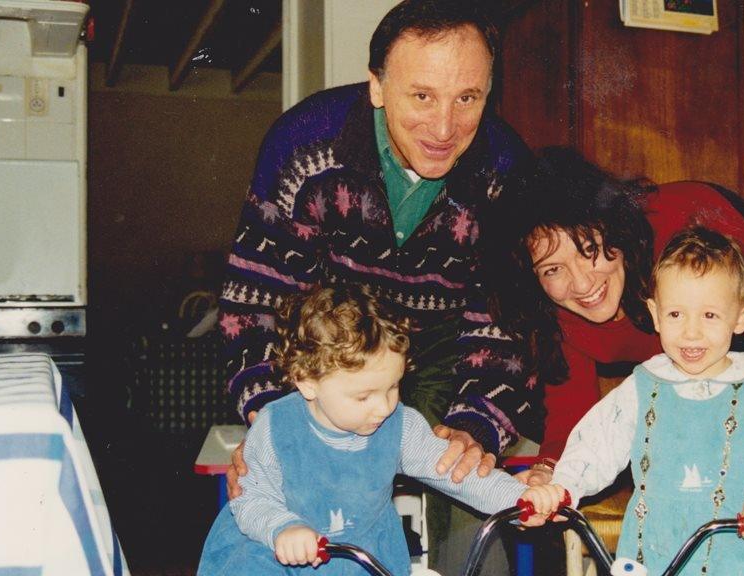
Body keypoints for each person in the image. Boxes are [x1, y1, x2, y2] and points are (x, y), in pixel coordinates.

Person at [217, 1, 543, 569]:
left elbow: (505, 324)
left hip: (445, 346)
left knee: (468, 494)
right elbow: (257, 298)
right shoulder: (302, 145)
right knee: (278, 505)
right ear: (376, 86)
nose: (444, 128)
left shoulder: (505, 174)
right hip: (331, 344)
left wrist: (476, 426)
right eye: (422, 96)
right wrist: (274, 418)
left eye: (467, 98)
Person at [486, 147, 744, 574]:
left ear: (612, 228)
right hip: (707, 344)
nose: (581, 283)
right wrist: (547, 476)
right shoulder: (556, 307)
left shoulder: (685, 221)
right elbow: (573, 417)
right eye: (552, 269)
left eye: (590, 249)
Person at [199, 284, 559, 575]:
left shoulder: (398, 425)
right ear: (308, 382)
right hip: (275, 553)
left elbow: (456, 471)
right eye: (363, 396)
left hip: (359, 558)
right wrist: (283, 529)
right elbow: (250, 499)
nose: (385, 406)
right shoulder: (275, 426)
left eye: (393, 387)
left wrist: (515, 495)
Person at [542, 226, 744, 573]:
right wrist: (561, 488)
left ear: (741, 317)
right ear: (656, 313)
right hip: (655, 555)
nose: (691, 332)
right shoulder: (643, 385)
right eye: (676, 314)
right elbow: (596, 445)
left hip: (740, 559)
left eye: (709, 315)